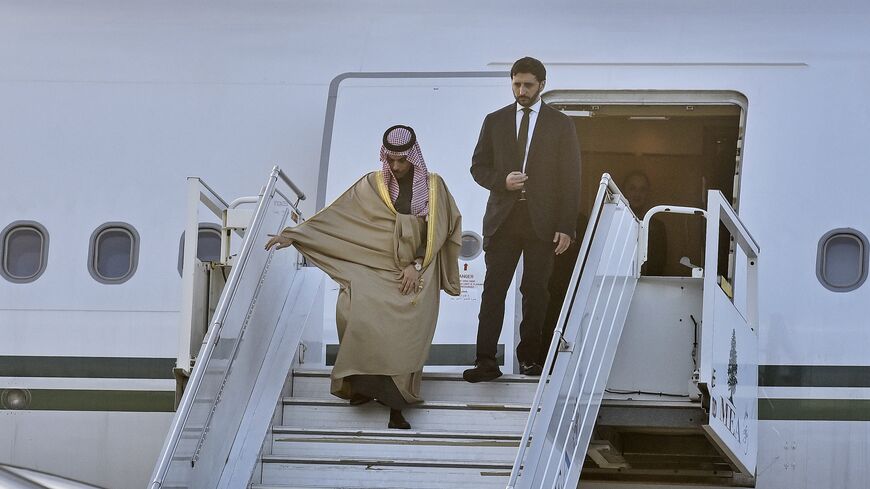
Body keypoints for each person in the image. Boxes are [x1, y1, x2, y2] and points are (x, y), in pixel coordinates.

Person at [266, 125, 462, 429]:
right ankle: (361, 388)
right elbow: (337, 218)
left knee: (404, 331)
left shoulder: (435, 188)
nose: (395, 167)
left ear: (414, 157)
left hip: (417, 271)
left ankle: (397, 405)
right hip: (376, 266)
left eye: (401, 161)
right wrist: (295, 235)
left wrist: (416, 264)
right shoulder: (373, 184)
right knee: (354, 307)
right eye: (390, 160)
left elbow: (442, 231)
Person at [463, 57, 581, 383]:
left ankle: (530, 359)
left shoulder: (561, 124)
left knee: (536, 292)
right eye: (516, 84)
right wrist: (502, 181)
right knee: (494, 291)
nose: (521, 90)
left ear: (542, 84)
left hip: (542, 223)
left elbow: (571, 179)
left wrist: (566, 227)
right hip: (503, 220)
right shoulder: (495, 121)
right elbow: (478, 167)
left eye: (528, 85)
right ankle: (485, 361)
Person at [622, 171, 667, 276]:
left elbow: (659, 265)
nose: (637, 194)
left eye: (642, 189)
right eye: (632, 188)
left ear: (647, 193)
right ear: (624, 192)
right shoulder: (614, 224)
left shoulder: (657, 227)